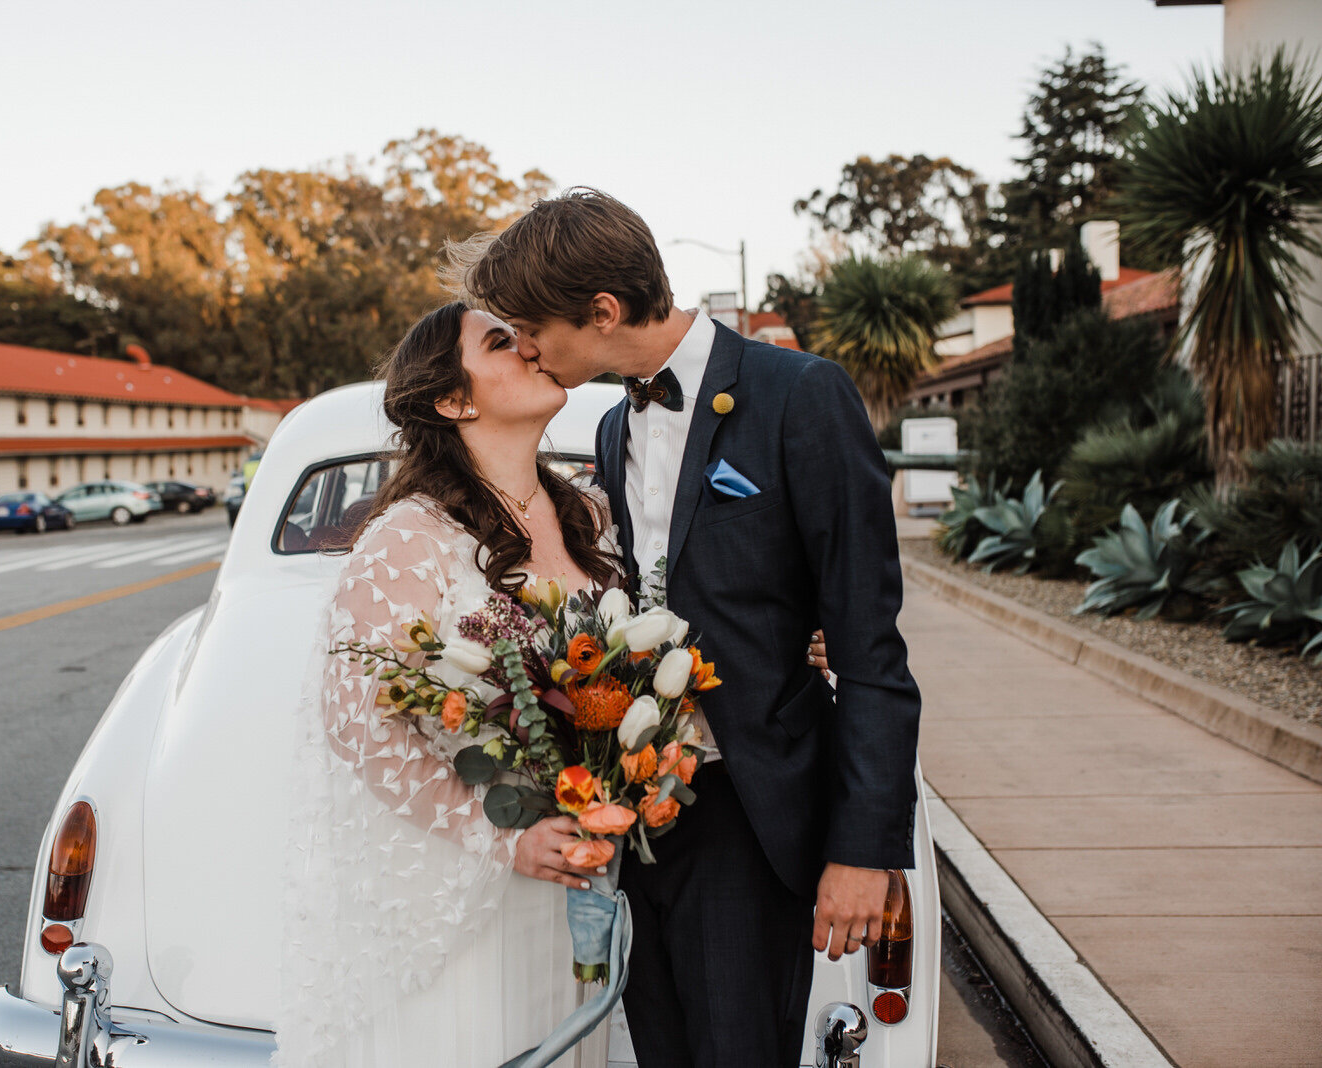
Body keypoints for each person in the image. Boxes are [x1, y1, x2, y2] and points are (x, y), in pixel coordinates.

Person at [460, 187, 922, 1068]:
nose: (524, 348)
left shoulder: (802, 395)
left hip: (756, 812)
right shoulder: (606, 426)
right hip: (640, 810)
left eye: (530, 329)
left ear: (600, 311)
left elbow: (871, 648)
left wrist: (863, 849)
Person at [275, 302, 621, 1067]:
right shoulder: (411, 535)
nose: (531, 347)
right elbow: (358, 718)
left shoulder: (591, 515)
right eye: (502, 342)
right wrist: (501, 834)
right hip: (471, 883)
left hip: (580, 870)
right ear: (453, 401)